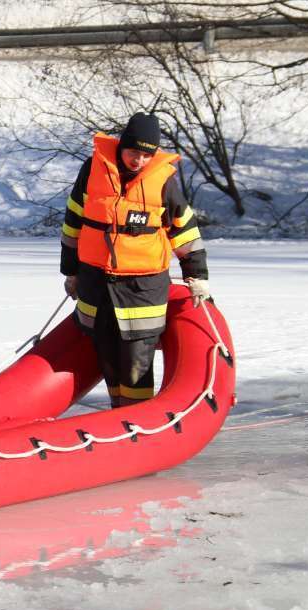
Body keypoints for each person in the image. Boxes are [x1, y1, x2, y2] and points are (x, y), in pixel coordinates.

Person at [59, 112, 210, 407]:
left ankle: (137, 420)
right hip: (97, 284)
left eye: (145, 155)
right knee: (108, 359)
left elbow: (185, 230)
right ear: (121, 146)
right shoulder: (92, 170)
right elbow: (73, 223)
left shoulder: (163, 182)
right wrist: (70, 271)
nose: (138, 161)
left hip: (142, 291)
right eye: (133, 152)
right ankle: (118, 418)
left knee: (136, 364)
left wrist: (197, 275)